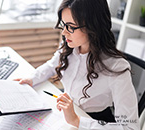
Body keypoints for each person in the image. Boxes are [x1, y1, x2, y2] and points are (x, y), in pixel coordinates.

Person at [14, 0, 139, 129]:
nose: (64, 32)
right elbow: (51, 66)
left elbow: (130, 127)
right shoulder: (69, 47)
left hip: (92, 121)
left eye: (71, 27)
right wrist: (31, 79)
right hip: (65, 111)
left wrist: (77, 120)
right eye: (63, 25)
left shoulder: (116, 67)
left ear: (93, 26)